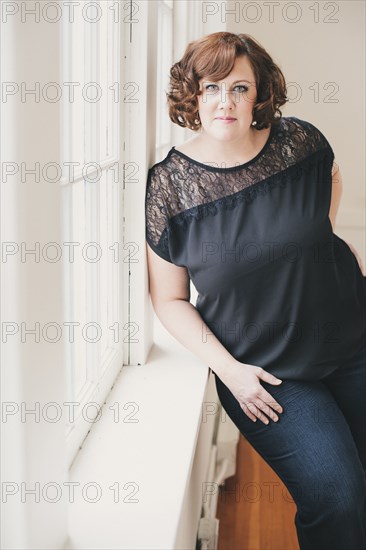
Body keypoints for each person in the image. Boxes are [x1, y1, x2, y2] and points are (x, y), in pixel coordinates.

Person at [145, 31, 366, 549]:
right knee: (337, 497)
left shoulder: (300, 143)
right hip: (265, 373)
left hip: (354, 340)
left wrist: (317, 241)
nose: (226, 102)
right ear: (192, 96)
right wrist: (232, 373)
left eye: (240, 88)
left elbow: (331, 178)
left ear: (259, 95)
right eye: (212, 87)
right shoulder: (171, 188)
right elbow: (169, 298)